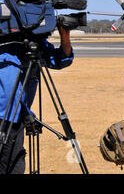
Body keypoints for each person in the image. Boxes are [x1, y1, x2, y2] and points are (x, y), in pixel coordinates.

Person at [0, 26, 74, 174]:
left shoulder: (36, 44)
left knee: (14, 166)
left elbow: (61, 59)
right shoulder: (3, 39)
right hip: (3, 114)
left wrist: (65, 35)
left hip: (18, 117)